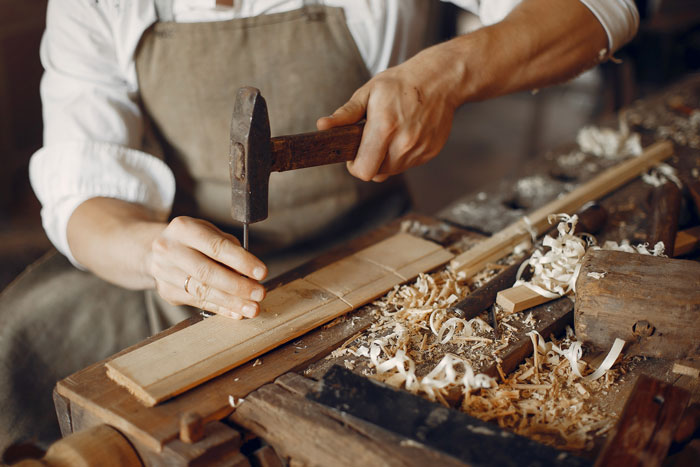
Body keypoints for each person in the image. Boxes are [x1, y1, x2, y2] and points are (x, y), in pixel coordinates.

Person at [0, 0, 638, 451]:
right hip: (183, 270)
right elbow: (86, 198)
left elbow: (599, 8)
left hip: (368, 254)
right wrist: (151, 251)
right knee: (22, 335)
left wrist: (447, 75)